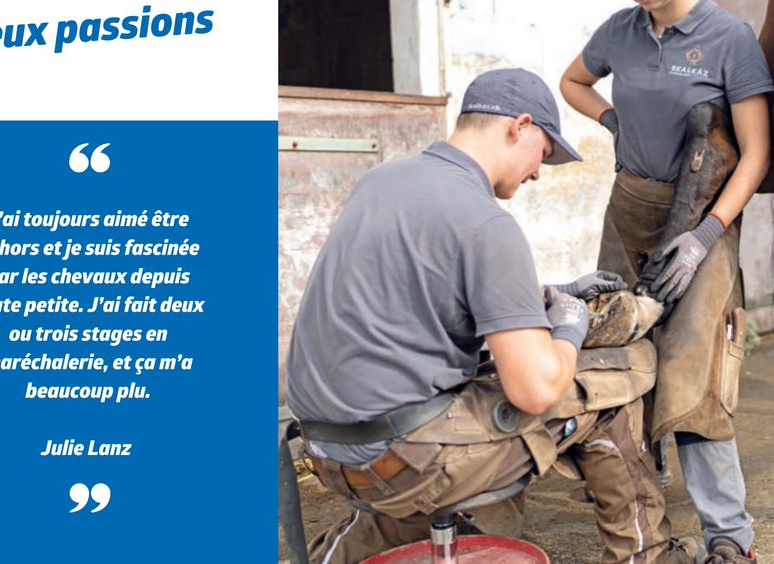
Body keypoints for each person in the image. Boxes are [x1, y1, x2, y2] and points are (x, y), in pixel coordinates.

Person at [286, 67, 700, 564]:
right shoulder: (486, 222)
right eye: (543, 153)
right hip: (408, 461)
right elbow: (536, 390)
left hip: (327, 451)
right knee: (617, 378)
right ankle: (648, 557)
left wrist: (541, 292)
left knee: (428, 414)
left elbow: (421, 287)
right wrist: (568, 323)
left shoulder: (382, 181)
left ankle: (336, 557)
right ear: (518, 126)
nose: (538, 172)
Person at [560, 0, 772, 563]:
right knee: (615, 359)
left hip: (702, 215)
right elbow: (572, 81)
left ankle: (728, 534)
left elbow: (757, 152)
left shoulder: (728, 38)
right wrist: (611, 120)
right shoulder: (620, 30)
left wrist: (708, 234)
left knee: (693, 371)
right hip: (628, 212)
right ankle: (641, 509)